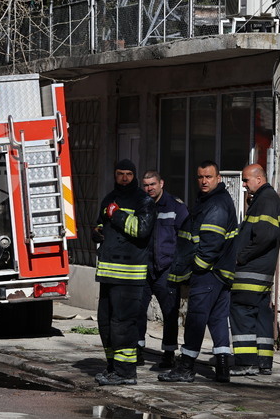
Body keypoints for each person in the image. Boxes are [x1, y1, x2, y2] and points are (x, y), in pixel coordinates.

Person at [160, 160, 237, 384]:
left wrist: (197, 269)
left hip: (208, 273)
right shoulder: (213, 200)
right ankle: (223, 367)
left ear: (218, 178)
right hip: (220, 272)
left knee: (195, 319)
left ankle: (186, 367)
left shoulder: (216, 205)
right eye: (200, 177)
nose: (204, 181)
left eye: (209, 177)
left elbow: (211, 243)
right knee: (217, 319)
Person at [93, 159, 156, 386]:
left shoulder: (144, 201)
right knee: (105, 323)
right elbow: (100, 224)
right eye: (120, 174)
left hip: (129, 275)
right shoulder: (109, 198)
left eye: (129, 174)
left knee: (123, 325)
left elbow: (141, 229)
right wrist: (98, 231)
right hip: (108, 273)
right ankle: (113, 368)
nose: (124, 178)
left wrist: (117, 215)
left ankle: (126, 373)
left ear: (135, 175)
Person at [230, 164, 280, 376]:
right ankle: (263, 362)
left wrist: (240, 256)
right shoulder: (265, 199)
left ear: (259, 179)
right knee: (261, 313)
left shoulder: (267, 200)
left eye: (246, 180)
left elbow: (265, 236)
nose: (243, 185)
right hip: (261, 269)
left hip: (251, 269)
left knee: (241, 310)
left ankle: (246, 362)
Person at [139, 170, 189, 370]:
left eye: (152, 184)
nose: (149, 188)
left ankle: (168, 353)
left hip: (166, 269)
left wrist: (179, 266)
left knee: (170, 313)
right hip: (144, 268)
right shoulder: (141, 206)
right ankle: (137, 349)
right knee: (137, 312)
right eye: (146, 185)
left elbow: (185, 239)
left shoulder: (176, 207)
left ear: (161, 184)